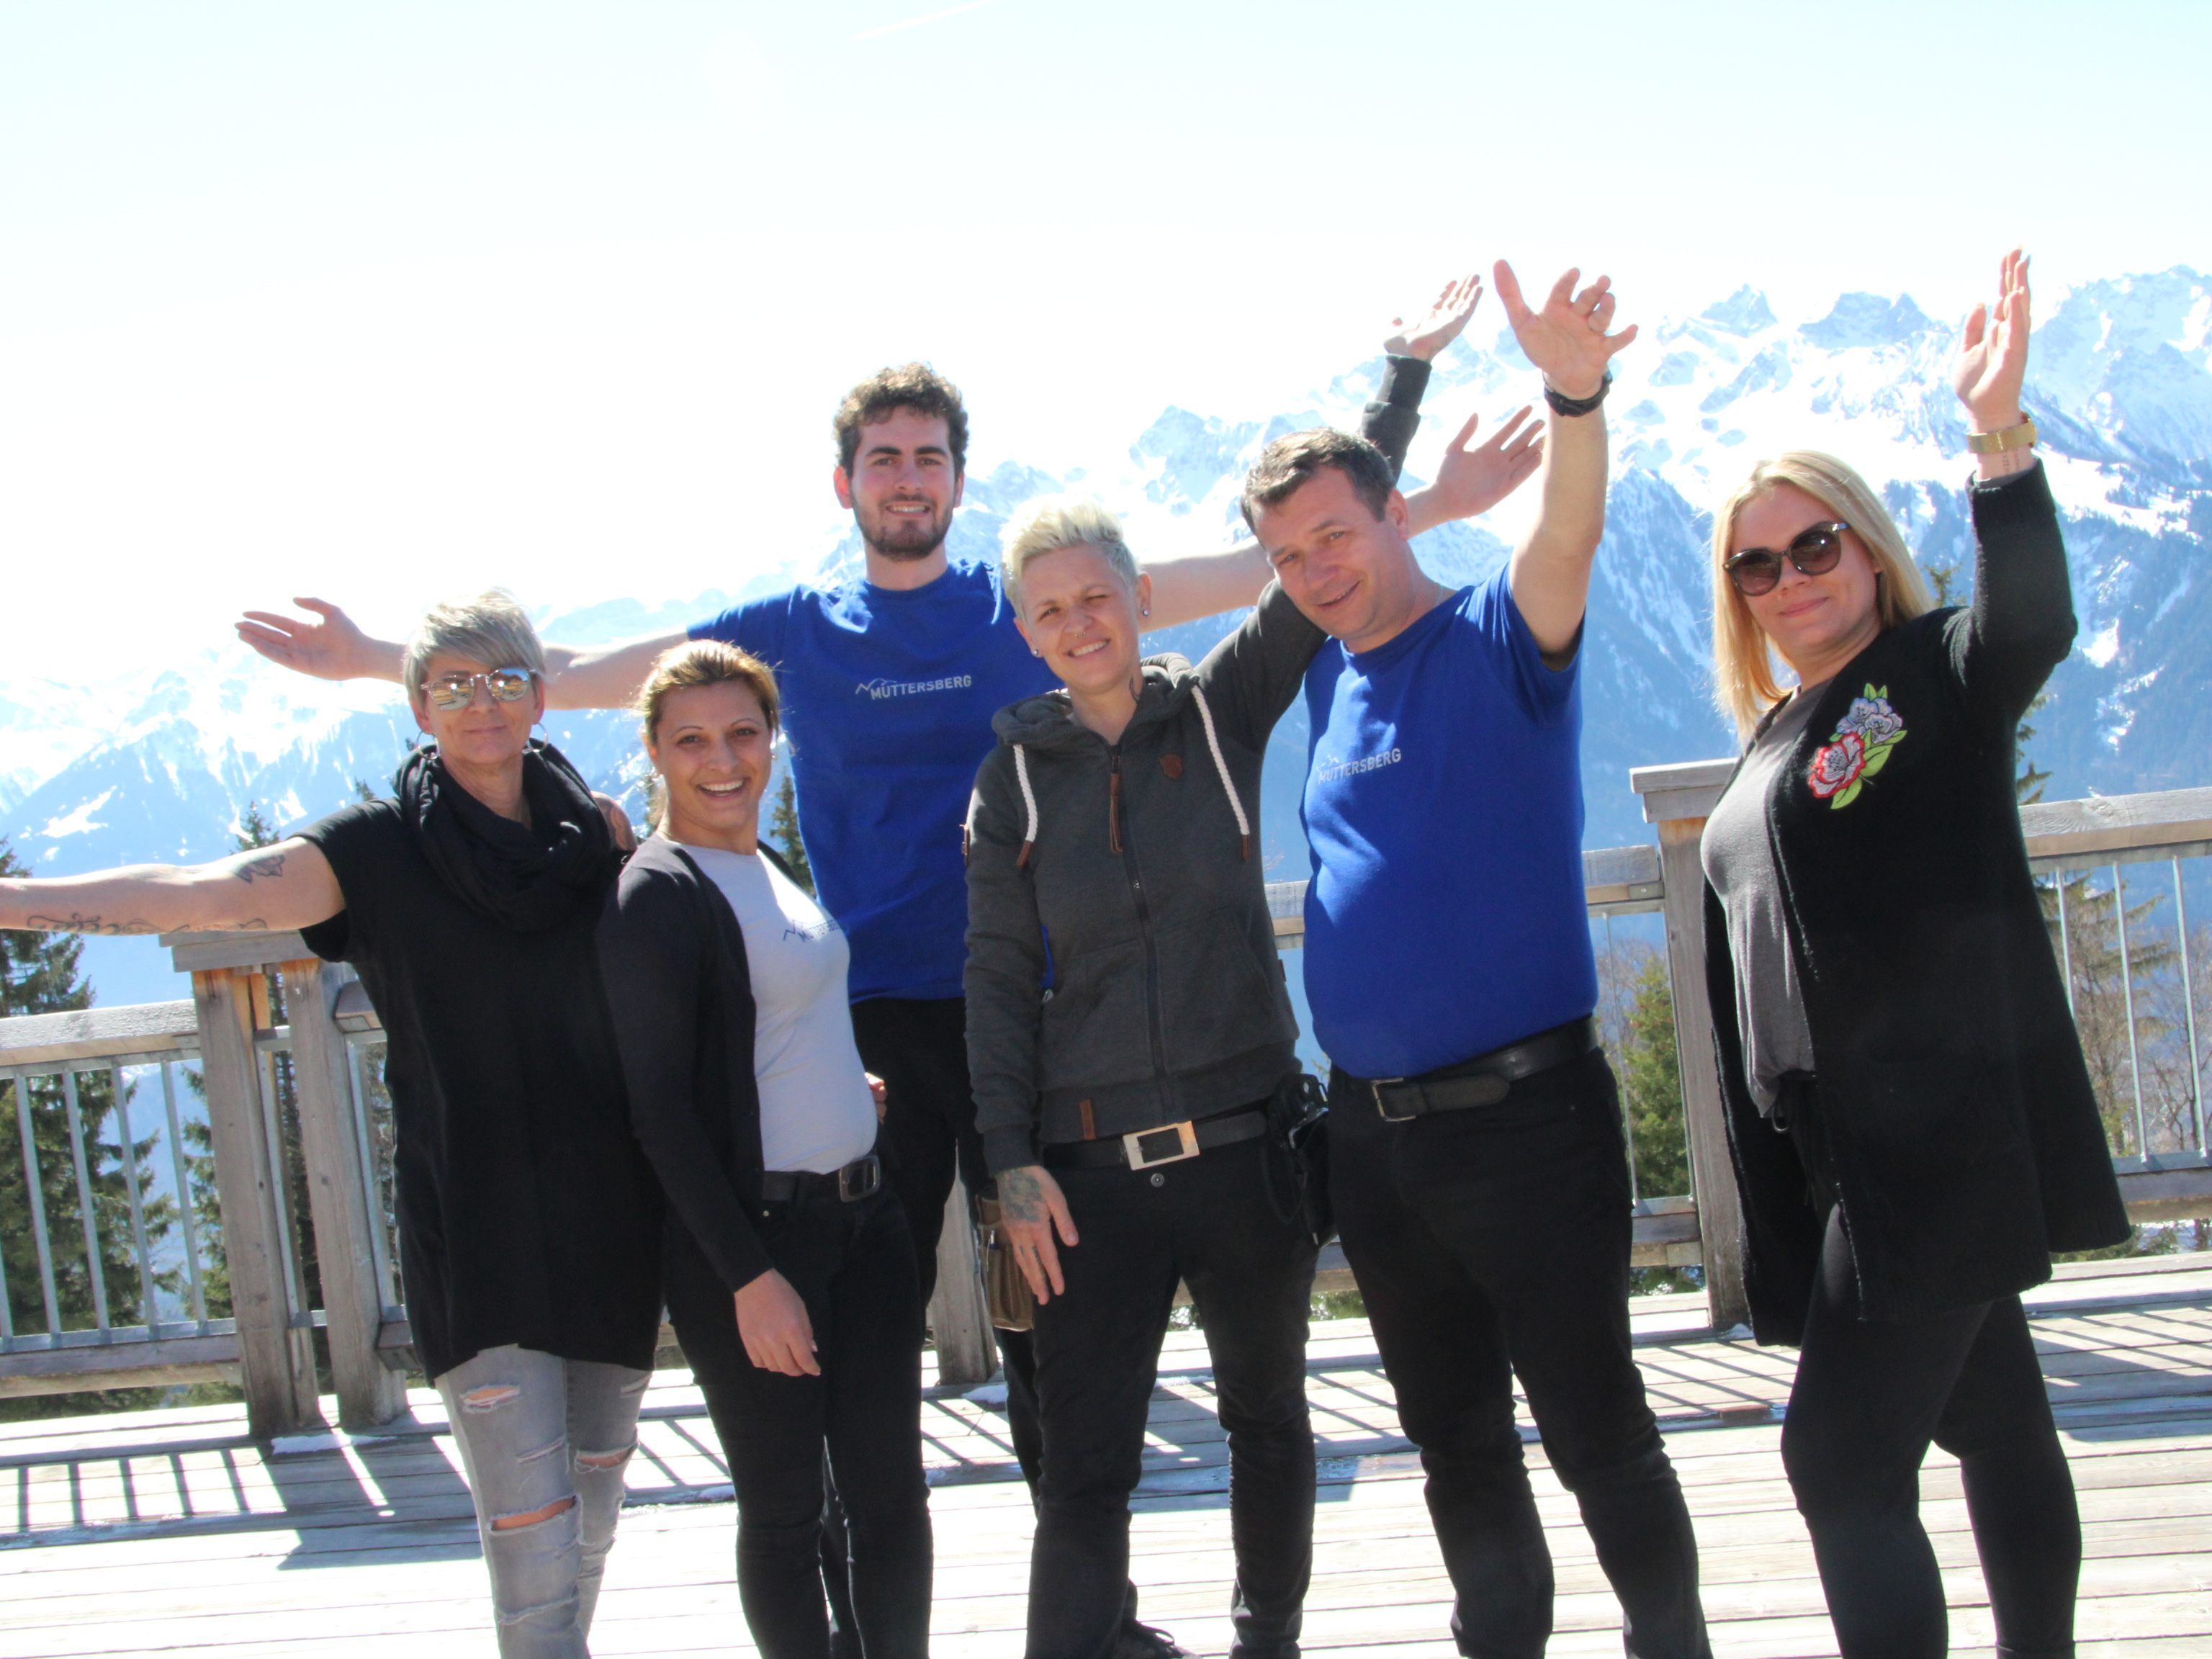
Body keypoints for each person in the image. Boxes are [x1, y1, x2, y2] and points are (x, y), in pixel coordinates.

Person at [233, 283, 1530, 1658]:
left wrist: (1415, 482)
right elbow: (574, 676)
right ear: (844, 482)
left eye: (930, 457)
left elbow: (1264, 575)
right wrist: (384, 661)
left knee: (1049, 1328)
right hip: (871, 1037)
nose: (908, 479)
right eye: (884, 458)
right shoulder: (798, 623)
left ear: (960, 481)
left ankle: (1097, 1618)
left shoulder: (1015, 606)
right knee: (867, 1342)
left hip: (1033, 1031)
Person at [963, 347, 1533, 1659]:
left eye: (1097, 598)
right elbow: (994, 981)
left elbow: (1327, 535)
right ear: (1028, 630)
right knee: (1086, 1467)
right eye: (1048, 612)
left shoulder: (1217, 713)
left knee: (1267, 1422)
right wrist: (1009, 1166)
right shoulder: (1010, 787)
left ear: (1140, 597)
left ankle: (1263, 1640)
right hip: (1086, 1171)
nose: (1078, 626)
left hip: (1248, 1153)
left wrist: (1400, 380)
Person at [0, 593, 663, 1659]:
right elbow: (202, 896)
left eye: (501, 679)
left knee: (591, 1519)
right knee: (533, 1546)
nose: (480, 702)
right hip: (477, 1230)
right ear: (417, 708)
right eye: (453, 684)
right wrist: (13, 905)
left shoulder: (599, 835)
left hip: (610, 1223)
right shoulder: (372, 852)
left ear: (540, 696)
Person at [1241, 261, 1712, 1659]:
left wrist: (1575, 392)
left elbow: (1567, 536)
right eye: (1288, 557)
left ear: (1396, 513)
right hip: (1380, 1151)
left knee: (1596, 1430)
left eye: (1334, 535)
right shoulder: (1325, 676)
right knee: (1453, 1444)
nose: (1315, 571)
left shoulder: (1502, 637)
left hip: (1531, 1127)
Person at [1697, 251, 2128, 1659]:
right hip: (1837, 1153)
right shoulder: (1778, 736)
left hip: (1930, 1143)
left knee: (1837, 1466)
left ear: (1870, 550)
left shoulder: (1933, 675)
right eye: (1755, 563)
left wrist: (1998, 441)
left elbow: (2034, 623)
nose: (1785, 579)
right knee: (1998, 1421)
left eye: (1813, 546)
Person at [597, 639, 932, 1659]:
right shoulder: (655, 893)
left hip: (865, 1220)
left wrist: (843, 1086)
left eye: (745, 733)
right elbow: (659, 1109)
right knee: (788, 1509)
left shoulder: (762, 864)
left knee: (888, 1497)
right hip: (759, 1246)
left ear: (771, 738)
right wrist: (749, 1277)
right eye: (692, 739)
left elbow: (777, 1023)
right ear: (655, 750)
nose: (724, 759)